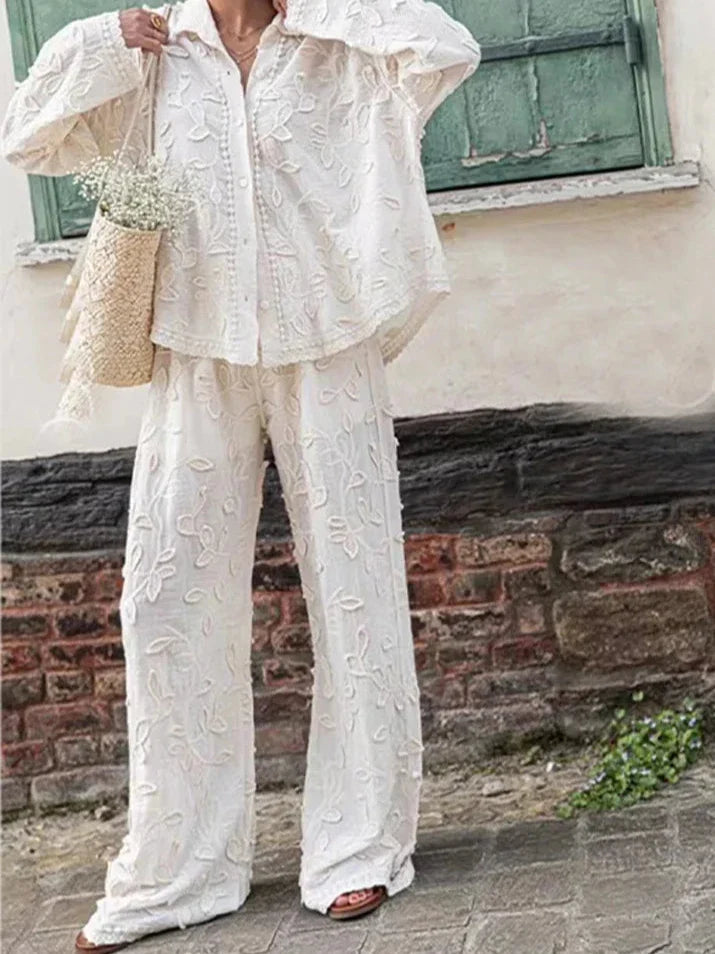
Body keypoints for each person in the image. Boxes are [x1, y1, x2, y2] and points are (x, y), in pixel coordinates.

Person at [0, 0, 480, 949]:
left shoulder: (333, 40)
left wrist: (321, 7)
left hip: (327, 336)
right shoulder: (153, 51)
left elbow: (445, 47)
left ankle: (357, 846)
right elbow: (29, 136)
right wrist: (98, 42)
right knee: (165, 593)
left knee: (354, 586)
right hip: (196, 343)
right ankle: (178, 869)